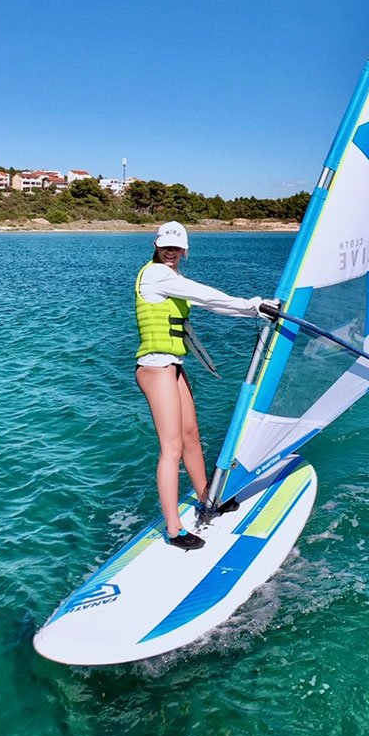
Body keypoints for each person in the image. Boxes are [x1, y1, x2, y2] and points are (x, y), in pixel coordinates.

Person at [135, 221, 276, 551]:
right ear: (156, 246)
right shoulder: (156, 275)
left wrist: (257, 310)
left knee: (191, 436)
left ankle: (206, 499)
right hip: (155, 367)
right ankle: (173, 529)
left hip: (173, 367)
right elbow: (205, 294)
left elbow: (213, 304)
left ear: (185, 250)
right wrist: (252, 302)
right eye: (165, 245)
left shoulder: (175, 280)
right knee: (171, 448)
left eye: (177, 246)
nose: (171, 250)